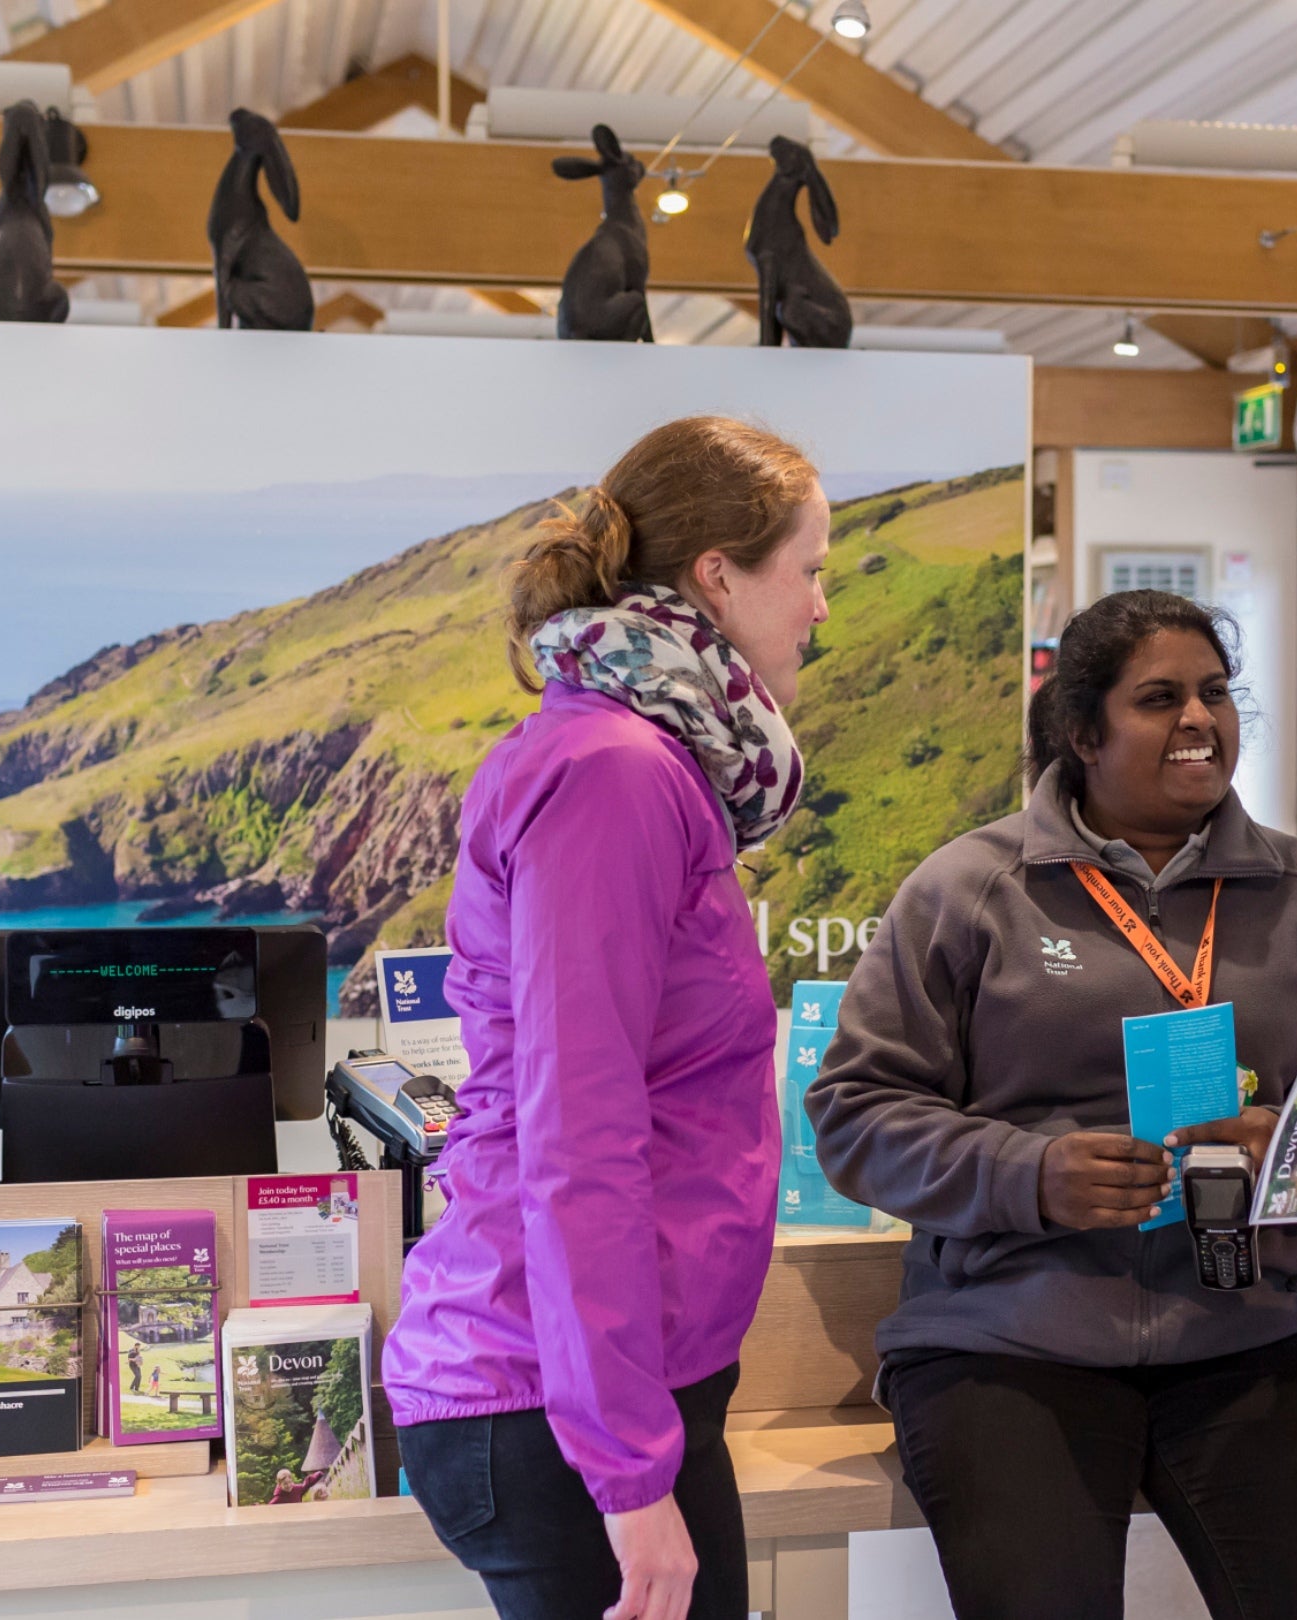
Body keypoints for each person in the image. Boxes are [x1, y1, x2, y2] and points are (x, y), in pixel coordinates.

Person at [807, 590, 1297, 1620]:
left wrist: (1291, 1151)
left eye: (1216, 693)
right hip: (1006, 1342)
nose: (1199, 718)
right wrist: (1031, 1176)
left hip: (1254, 1333)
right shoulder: (968, 890)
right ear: (1083, 731)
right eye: (1160, 698)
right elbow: (856, 1114)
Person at [384, 417, 831, 1620]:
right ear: (718, 578)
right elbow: (577, 1136)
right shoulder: (617, 775)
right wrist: (629, 1475)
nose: (822, 608)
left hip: (610, 1388)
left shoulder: (647, 762)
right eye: (811, 568)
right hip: (559, 1403)